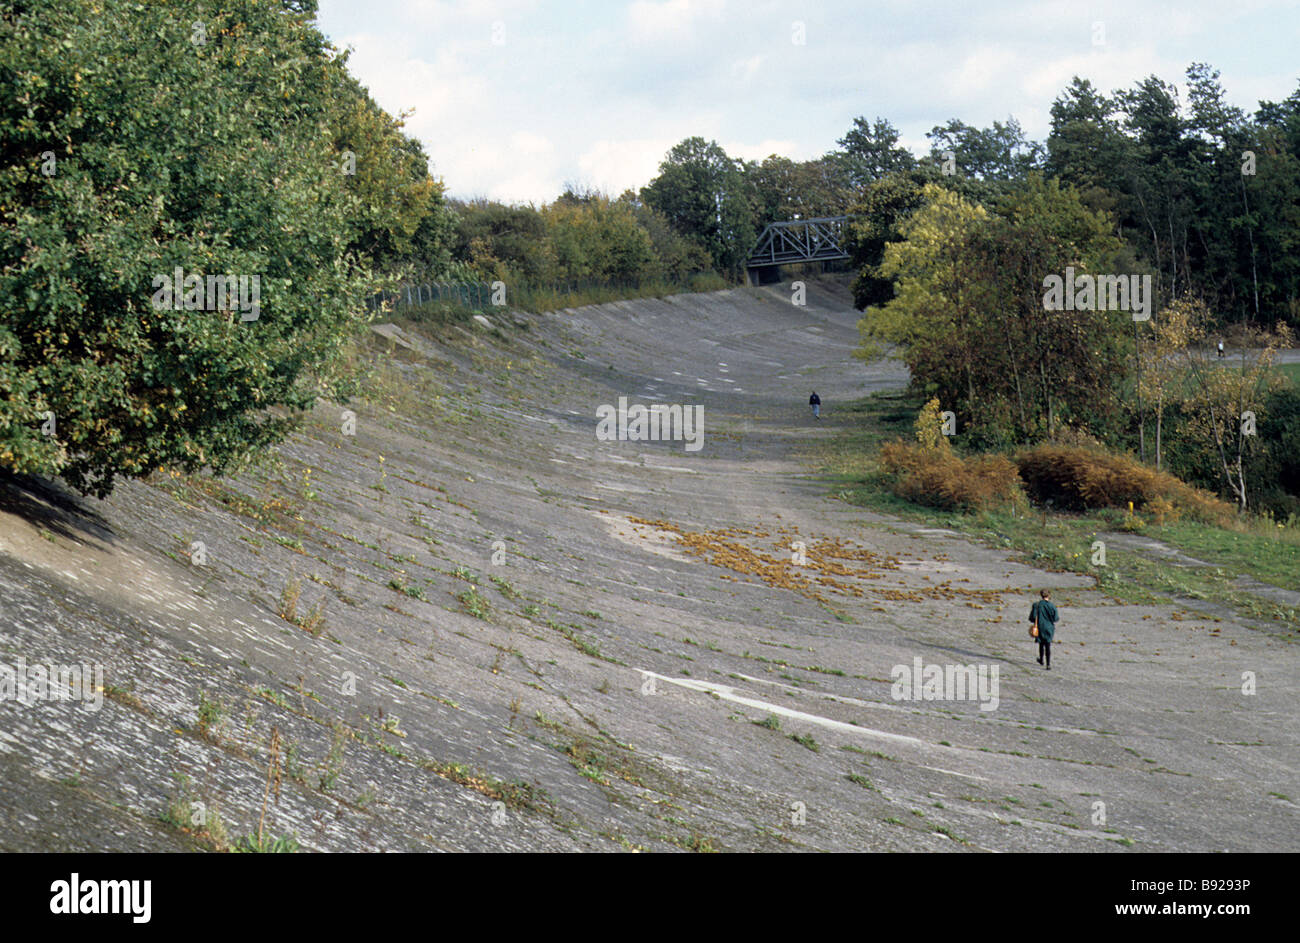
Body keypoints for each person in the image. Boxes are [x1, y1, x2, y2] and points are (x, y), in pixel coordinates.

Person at [1029, 589, 1059, 670]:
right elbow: (1056, 618)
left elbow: (1032, 617)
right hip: (1049, 627)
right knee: (1048, 645)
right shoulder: (1052, 606)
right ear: (1049, 595)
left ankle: (1041, 659)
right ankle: (1048, 664)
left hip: (1040, 627)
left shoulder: (1036, 605)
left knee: (1041, 644)